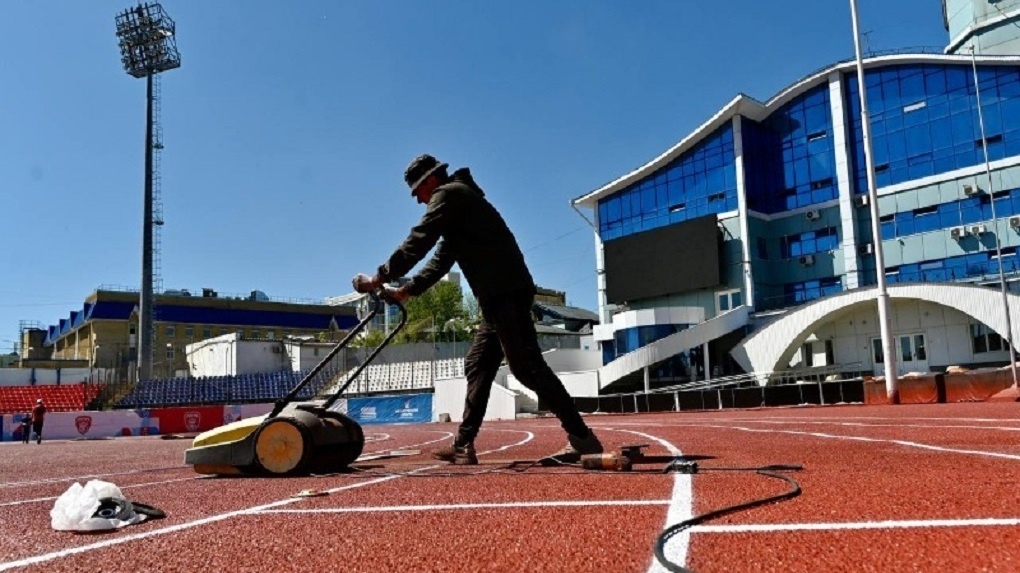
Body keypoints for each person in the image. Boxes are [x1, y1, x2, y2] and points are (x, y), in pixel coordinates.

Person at [353, 154, 604, 465]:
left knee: (527, 368)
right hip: (497, 297)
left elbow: (420, 239)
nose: (419, 201)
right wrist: (407, 291)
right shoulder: (459, 205)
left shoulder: (450, 195)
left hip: (504, 294)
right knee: (479, 364)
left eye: (417, 192)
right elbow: (441, 257)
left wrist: (380, 276)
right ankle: (463, 444)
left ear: (429, 181)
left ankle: (583, 438)